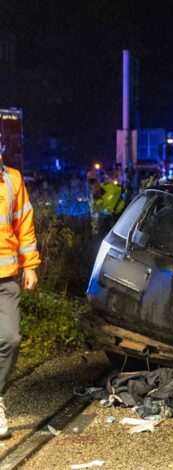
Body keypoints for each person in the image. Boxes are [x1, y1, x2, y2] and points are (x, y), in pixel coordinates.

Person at [0, 150, 41, 439]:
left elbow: (24, 225)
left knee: (11, 339)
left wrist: (30, 265)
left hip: (6, 278)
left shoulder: (12, 180)